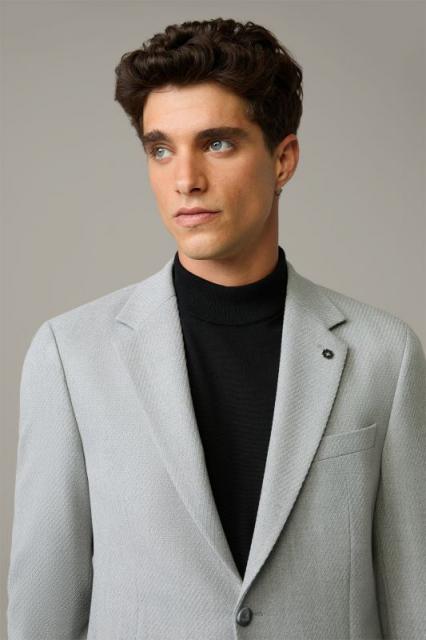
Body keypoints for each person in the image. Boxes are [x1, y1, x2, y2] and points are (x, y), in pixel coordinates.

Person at [7, 17, 426, 640]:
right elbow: (42, 610)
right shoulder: (71, 356)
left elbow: (413, 605)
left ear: (283, 160)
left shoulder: (383, 354)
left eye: (218, 143)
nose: (185, 180)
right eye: (160, 149)